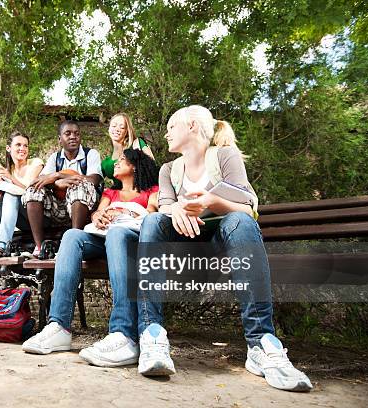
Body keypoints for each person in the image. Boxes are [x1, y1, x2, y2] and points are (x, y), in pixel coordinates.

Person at [131, 105, 312, 390]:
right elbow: (164, 202)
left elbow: (246, 205)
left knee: (239, 220)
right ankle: (151, 336)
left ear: (191, 125)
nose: (166, 134)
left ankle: (261, 344)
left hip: (223, 247)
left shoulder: (224, 156)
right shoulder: (169, 169)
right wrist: (174, 208)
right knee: (153, 221)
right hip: (183, 249)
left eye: (171, 127)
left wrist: (210, 201)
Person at [22, 148, 159, 361]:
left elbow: (152, 213)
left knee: (116, 234)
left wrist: (125, 212)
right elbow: (97, 212)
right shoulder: (110, 193)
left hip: (130, 237)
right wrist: (98, 215)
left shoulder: (151, 190)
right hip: (103, 236)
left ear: (134, 165)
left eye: (122, 160)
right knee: (72, 235)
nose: (116, 163)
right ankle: (59, 326)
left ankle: (124, 333)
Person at [22, 120, 103, 257]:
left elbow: (94, 180)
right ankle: (39, 246)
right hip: (58, 208)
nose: (73, 137)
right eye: (68, 133)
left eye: (77, 134)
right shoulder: (55, 158)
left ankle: (73, 244)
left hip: (85, 208)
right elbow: (41, 180)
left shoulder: (90, 154)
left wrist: (59, 175)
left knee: (79, 186)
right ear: (60, 139)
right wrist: (56, 183)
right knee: (33, 190)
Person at [101, 113, 154, 189]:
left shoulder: (137, 145)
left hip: (140, 192)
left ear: (127, 131)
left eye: (122, 127)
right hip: (118, 196)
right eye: (113, 126)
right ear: (109, 129)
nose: (117, 129)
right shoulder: (106, 163)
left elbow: (151, 167)